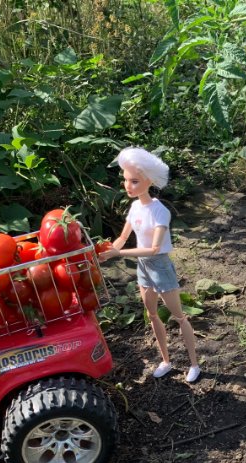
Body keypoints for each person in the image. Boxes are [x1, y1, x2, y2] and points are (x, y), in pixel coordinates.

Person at [98, 147, 201, 382]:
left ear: (149, 180)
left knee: (178, 315)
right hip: (143, 266)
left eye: (134, 181)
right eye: (126, 180)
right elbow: (123, 237)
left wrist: (118, 253)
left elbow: (154, 248)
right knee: (152, 314)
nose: (128, 186)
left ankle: (194, 363)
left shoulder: (159, 211)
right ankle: (166, 360)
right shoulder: (134, 207)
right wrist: (108, 250)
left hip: (159, 265)